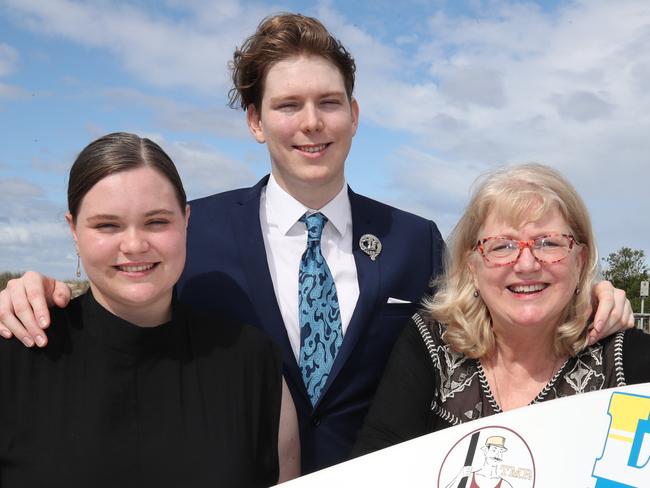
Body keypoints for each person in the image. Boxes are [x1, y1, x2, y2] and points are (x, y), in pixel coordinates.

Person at [0, 15, 634, 474]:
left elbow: (490, 316)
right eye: (288, 104)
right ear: (255, 120)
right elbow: (129, 301)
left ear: (354, 115)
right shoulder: (194, 233)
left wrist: (589, 296)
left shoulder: (414, 241)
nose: (311, 123)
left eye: (329, 103)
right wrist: (43, 292)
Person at [0, 132, 300, 487]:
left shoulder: (252, 362)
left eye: (156, 222)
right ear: (73, 230)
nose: (134, 244)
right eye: (107, 225)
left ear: (186, 221)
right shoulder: (17, 353)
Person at [353, 164, 650, 458]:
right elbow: (375, 464)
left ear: (580, 261)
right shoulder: (432, 345)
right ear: (472, 267)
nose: (526, 264)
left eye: (548, 243)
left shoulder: (626, 361)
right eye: (502, 247)